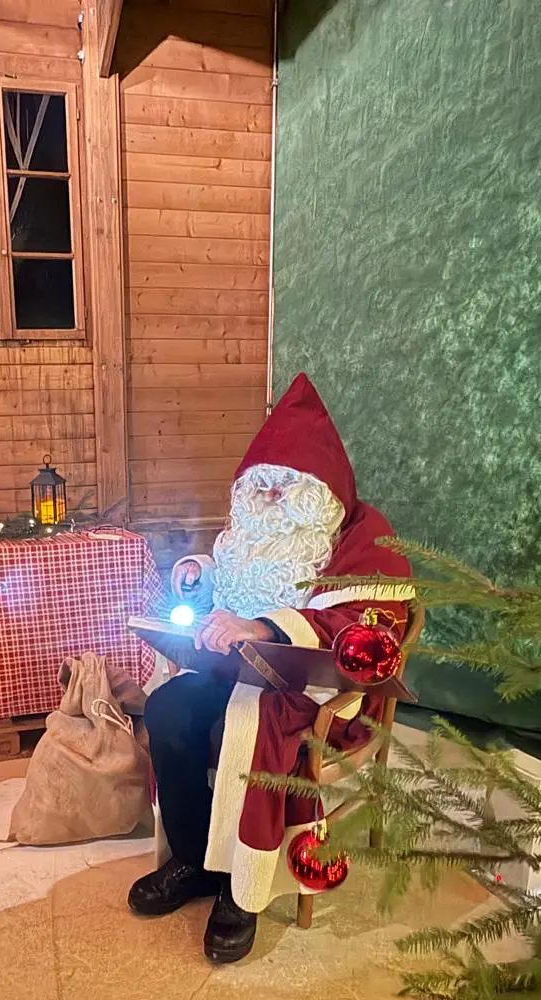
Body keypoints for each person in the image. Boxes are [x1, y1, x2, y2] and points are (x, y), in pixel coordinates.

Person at [127, 373, 413, 964]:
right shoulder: (249, 533)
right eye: (265, 483)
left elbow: (368, 634)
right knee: (168, 709)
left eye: (290, 483)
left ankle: (242, 889)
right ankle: (194, 856)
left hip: (311, 688)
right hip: (237, 668)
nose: (275, 496)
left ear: (322, 487)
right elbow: (232, 587)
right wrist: (200, 578)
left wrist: (266, 626)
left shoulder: (365, 536)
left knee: (254, 724)